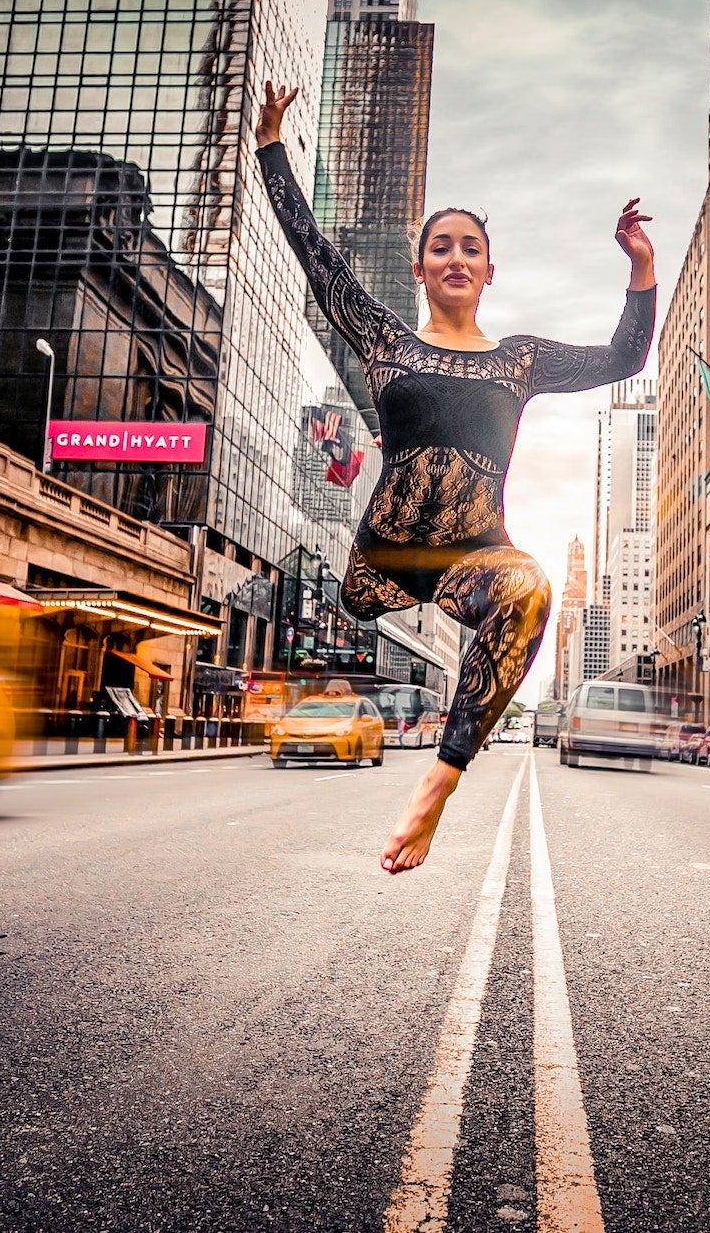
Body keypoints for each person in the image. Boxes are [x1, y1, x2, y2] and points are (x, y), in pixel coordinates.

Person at [254, 82, 656, 874]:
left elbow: (624, 358)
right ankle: (434, 766)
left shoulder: (520, 359)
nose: (457, 257)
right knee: (367, 595)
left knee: (534, 586)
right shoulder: (383, 338)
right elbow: (314, 253)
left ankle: (438, 784)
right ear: (420, 266)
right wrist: (271, 144)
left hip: (471, 564)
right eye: (442, 246)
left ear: (490, 270)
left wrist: (640, 268)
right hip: (384, 563)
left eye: (471, 247)